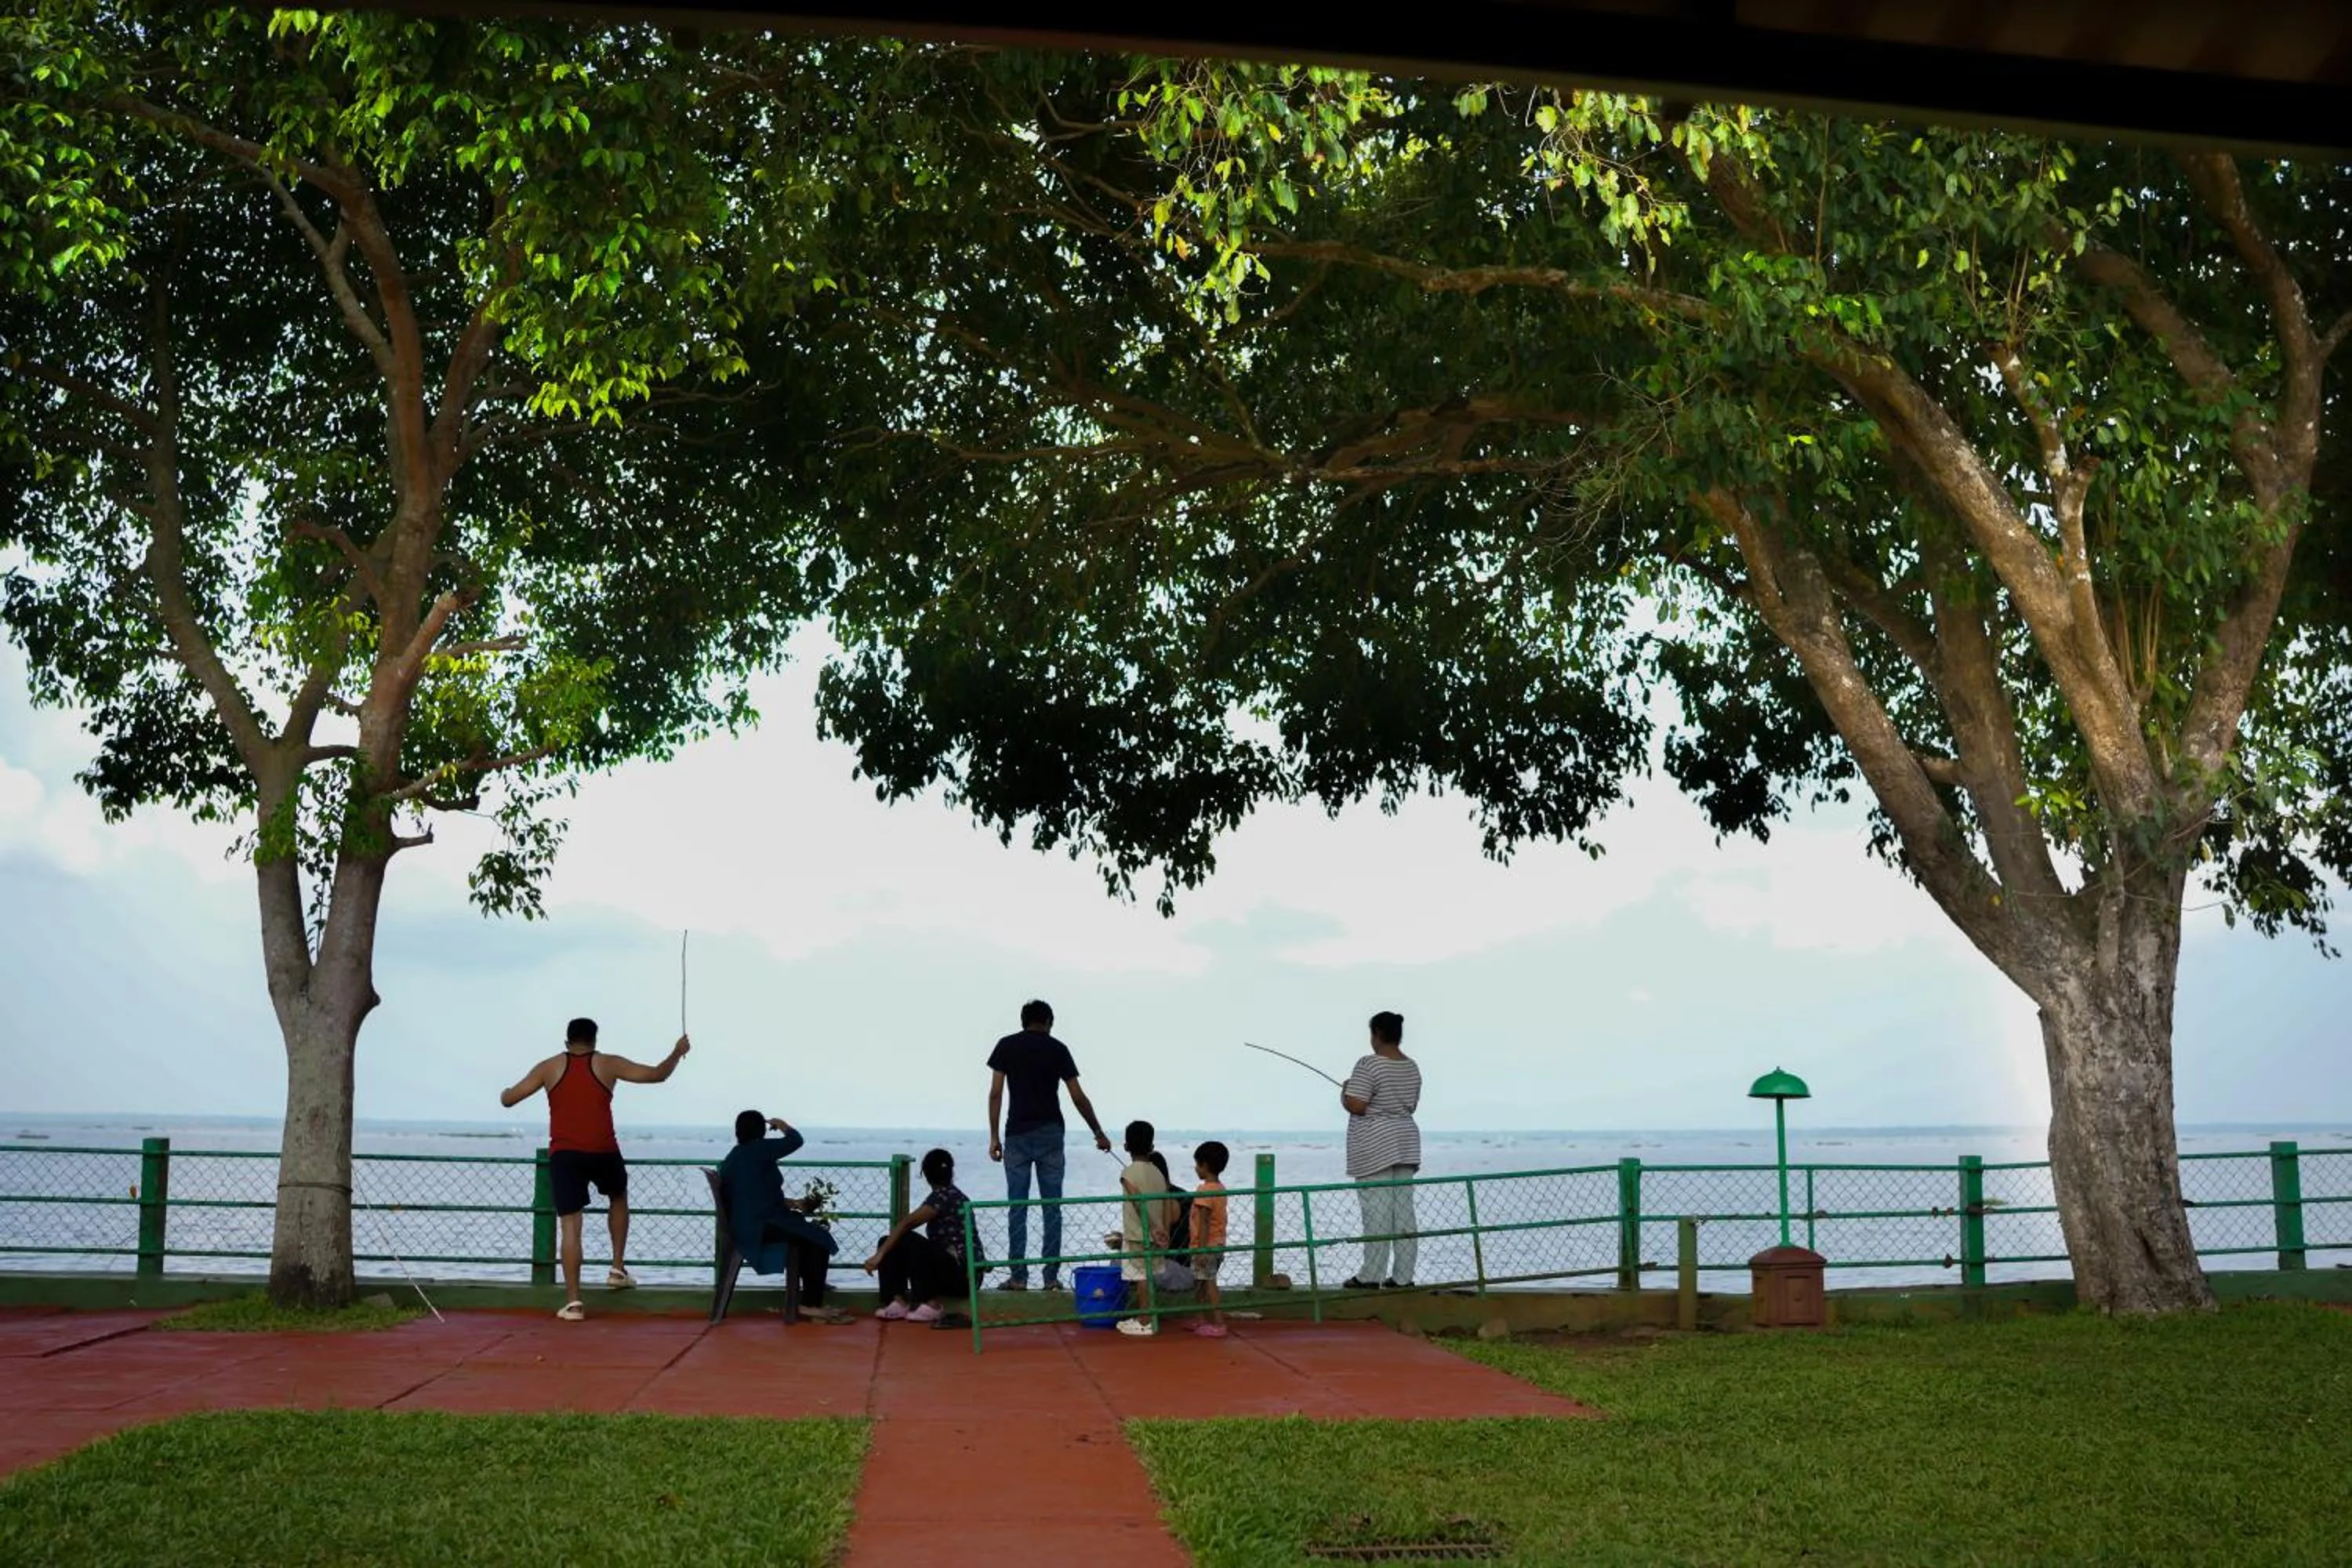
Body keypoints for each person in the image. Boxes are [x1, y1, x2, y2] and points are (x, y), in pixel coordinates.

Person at [499, 1018, 689, 1320]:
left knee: (571, 1226)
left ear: (566, 1041)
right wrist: (677, 1052)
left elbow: (509, 1099)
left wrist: (506, 1090)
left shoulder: (548, 1067)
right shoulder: (608, 1064)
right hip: (603, 1150)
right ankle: (616, 1268)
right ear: (594, 1040)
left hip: (565, 1155)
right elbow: (657, 1075)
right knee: (618, 1197)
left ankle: (574, 1303)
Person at [985, 999, 1112, 1291]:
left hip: (1016, 1133)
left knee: (1017, 1206)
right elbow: (1077, 1096)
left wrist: (994, 1137)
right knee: (1051, 1207)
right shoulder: (1058, 1049)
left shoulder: (1006, 1045)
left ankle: (1018, 1276)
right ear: (1049, 1022)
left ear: (1023, 1020)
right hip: (1051, 1134)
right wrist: (1098, 1132)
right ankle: (1051, 1278)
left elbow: (995, 1094)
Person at [717, 1109, 851, 1326]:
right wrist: (783, 1126)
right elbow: (795, 1141)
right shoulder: (760, 1149)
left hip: (745, 1225)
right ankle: (811, 1304)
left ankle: (812, 1293)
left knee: (808, 1236)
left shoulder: (735, 1156)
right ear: (761, 1130)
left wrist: (791, 1203)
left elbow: (754, 1193)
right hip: (759, 1228)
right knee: (816, 1238)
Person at [1341, 1011, 1421, 1290]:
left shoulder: (1369, 1064)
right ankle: (1403, 1276)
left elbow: (1357, 1105)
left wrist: (1345, 1091)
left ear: (1376, 1034)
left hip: (1375, 1145)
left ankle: (1370, 1275)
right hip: (1406, 1141)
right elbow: (1411, 1105)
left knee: (1376, 1211)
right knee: (1403, 1212)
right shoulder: (1411, 1066)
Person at [864, 1148, 976, 1324]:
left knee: (908, 1239)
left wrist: (879, 1255)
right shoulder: (947, 1195)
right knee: (887, 1241)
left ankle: (932, 1305)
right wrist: (884, 1249)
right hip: (952, 1272)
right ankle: (897, 1301)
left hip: (963, 1277)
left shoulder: (944, 1197)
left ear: (926, 1175)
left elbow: (906, 1224)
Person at [1114, 1120, 1175, 1338]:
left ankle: (1146, 1320)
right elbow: (1167, 1201)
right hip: (1158, 1236)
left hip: (1138, 1235)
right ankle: (1148, 1316)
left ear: (1126, 1147)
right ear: (1151, 1147)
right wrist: (1164, 1230)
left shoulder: (1127, 1173)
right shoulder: (1159, 1174)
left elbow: (1138, 1202)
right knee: (1147, 1277)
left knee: (1141, 1278)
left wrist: (1152, 1229)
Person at [1189, 1141, 1232, 1338]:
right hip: (1218, 1243)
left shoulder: (1205, 1190)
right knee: (1200, 1282)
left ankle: (1219, 1323)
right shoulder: (1220, 1188)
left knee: (1209, 1282)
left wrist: (1202, 1248)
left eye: (1197, 1165)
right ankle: (1199, 1318)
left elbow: (1204, 1221)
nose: (1196, 1169)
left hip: (1205, 1245)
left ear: (1204, 1165)